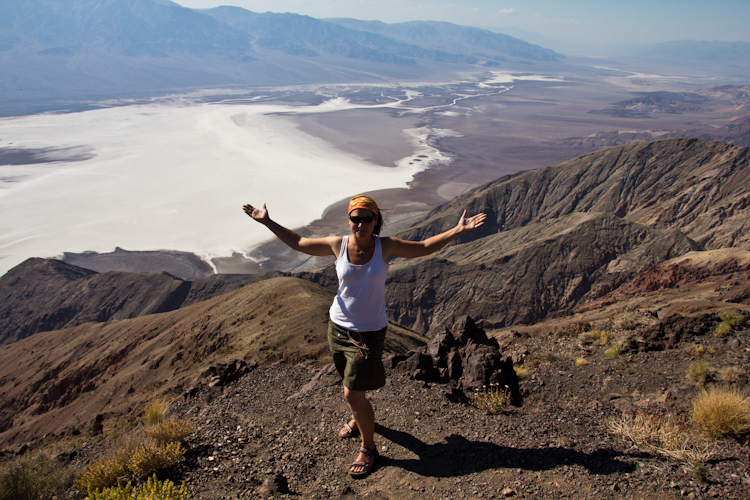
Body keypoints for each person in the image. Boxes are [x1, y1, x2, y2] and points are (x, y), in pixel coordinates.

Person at [242, 195, 486, 478]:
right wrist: (268, 221)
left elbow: (424, 247)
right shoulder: (338, 244)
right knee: (352, 386)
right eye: (355, 218)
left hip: (369, 332)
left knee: (351, 392)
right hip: (337, 328)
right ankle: (360, 416)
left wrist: (458, 230)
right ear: (349, 220)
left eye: (366, 219)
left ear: (375, 221)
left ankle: (369, 448)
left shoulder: (386, 246)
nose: (360, 224)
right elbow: (299, 243)